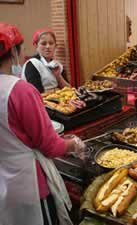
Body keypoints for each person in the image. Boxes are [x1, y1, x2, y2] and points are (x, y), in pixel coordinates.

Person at [0, 23, 85, 225]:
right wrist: (74, 144)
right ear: (14, 51)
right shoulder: (21, 91)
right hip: (28, 181)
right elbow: (50, 146)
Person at [21, 28, 69, 93]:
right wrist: (56, 90)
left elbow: (69, 90)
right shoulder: (32, 64)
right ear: (36, 46)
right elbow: (37, 92)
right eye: (43, 44)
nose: (48, 47)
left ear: (55, 46)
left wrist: (58, 76)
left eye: (51, 43)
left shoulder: (58, 66)